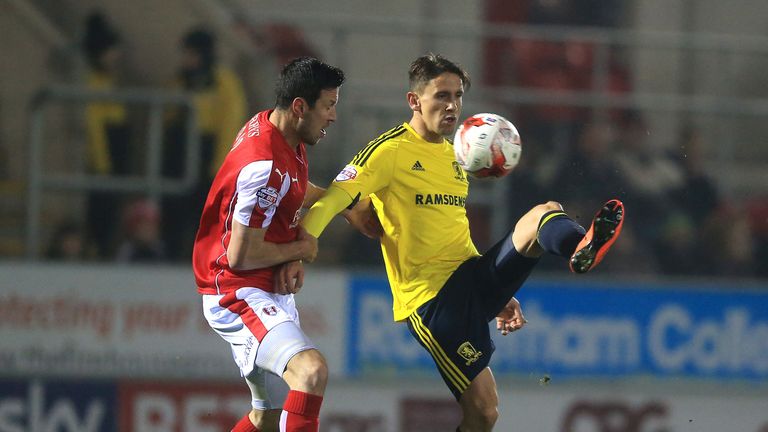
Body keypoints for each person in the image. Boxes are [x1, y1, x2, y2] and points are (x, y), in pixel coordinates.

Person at [301, 53, 625, 431]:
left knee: (544, 213)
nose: (452, 105)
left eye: (458, 95)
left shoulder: (458, 155)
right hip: (432, 301)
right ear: (414, 101)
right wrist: (304, 242)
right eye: (441, 95)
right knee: (484, 411)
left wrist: (497, 292)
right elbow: (334, 198)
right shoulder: (389, 151)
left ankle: (579, 248)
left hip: (468, 273)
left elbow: (452, 231)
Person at [192, 57, 357, 432]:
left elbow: (289, 189)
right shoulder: (262, 163)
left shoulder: (272, 126)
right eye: (328, 106)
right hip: (236, 291)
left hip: (261, 284)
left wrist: (340, 205)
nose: (333, 117)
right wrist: (301, 249)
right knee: (311, 372)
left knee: (265, 418)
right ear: (300, 107)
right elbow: (240, 254)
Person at [164, 28, 247, 260]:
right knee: (174, 215)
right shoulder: (179, 81)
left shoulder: (224, 83)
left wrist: (218, 169)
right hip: (179, 153)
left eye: (191, 53)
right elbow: (167, 116)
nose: (186, 59)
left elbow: (229, 125)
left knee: (204, 219)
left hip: (208, 155)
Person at [82, 12, 130, 257]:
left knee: (111, 210)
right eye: (113, 50)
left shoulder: (107, 79)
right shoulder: (93, 81)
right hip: (104, 156)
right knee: (99, 210)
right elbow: (95, 127)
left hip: (114, 149)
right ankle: (96, 250)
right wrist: (103, 164)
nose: (117, 56)